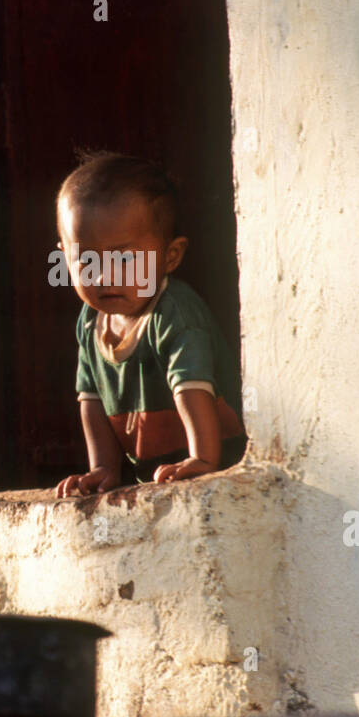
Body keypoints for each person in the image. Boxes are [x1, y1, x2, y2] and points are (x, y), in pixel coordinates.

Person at [54, 152, 246, 497]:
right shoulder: (89, 322)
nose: (103, 275)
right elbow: (92, 399)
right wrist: (103, 468)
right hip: (157, 476)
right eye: (85, 260)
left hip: (221, 462)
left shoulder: (174, 313)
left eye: (124, 259)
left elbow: (192, 387)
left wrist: (202, 458)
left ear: (171, 256)